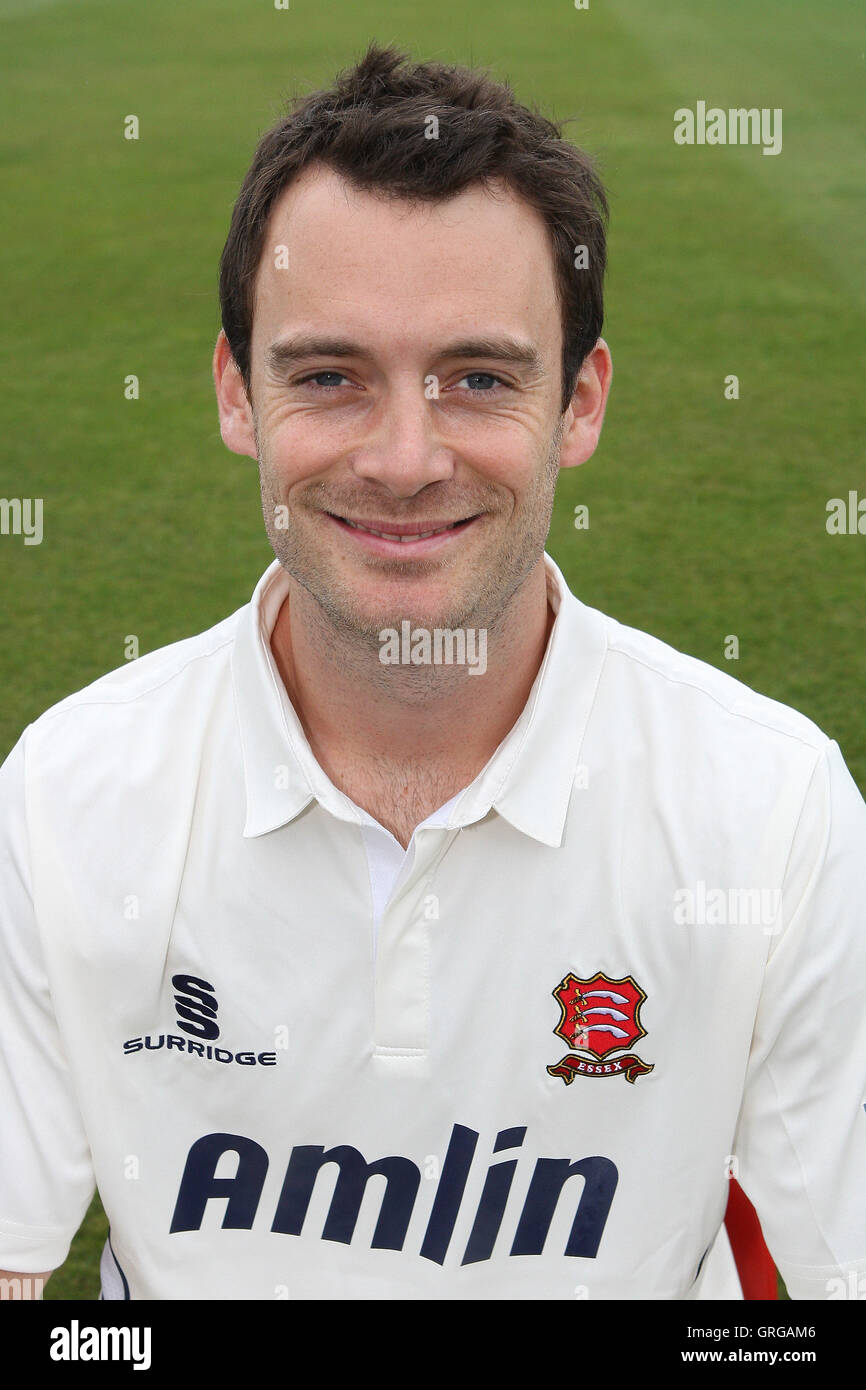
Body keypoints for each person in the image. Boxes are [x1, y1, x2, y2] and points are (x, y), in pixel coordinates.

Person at [1, 43, 864, 1302]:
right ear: (237, 395)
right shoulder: (63, 796)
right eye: (329, 377)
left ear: (579, 403)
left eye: (476, 378)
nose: (403, 460)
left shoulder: (772, 813)